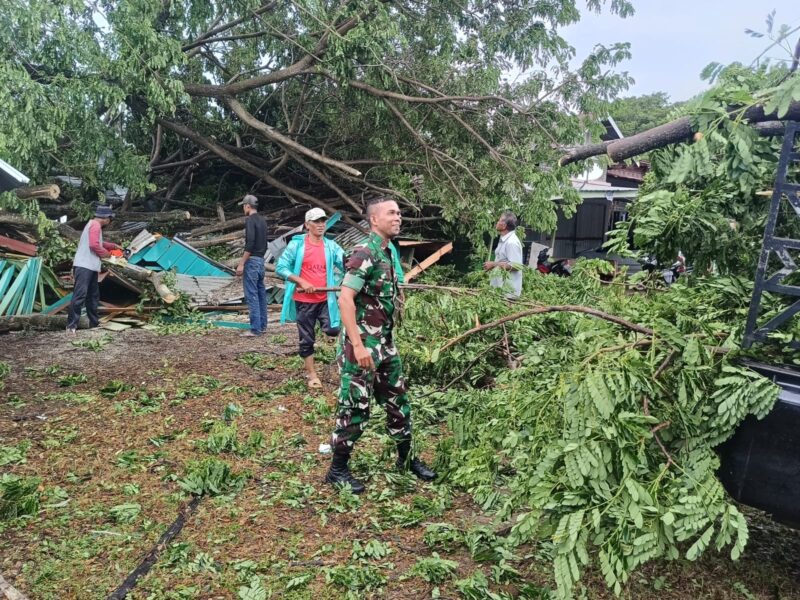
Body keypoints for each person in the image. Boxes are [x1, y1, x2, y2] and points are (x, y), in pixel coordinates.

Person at [325, 197, 436, 494]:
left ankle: (406, 459)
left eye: (399, 213)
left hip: (385, 345)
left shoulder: (389, 254)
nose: (398, 217)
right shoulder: (365, 253)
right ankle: (337, 470)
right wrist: (359, 346)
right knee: (355, 406)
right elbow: (345, 298)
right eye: (391, 213)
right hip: (361, 346)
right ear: (374, 220)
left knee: (399, 403)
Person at [276, 207, 345, 390]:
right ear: (307, 225)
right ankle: (311, 374)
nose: (321, 225)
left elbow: (345, 262)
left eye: (323, 221)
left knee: (333, 329)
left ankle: (328, 336)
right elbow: (281, 267)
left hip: (325, 298)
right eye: (316, 221)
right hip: (304, 300)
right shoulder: (297, 245)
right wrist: (301, 281)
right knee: (307, 339)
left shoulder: (331, 246)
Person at [66, 205, 121, 334]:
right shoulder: (95, 226)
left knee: (92, 296)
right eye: (109, 219)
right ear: (106, 218)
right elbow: (94, 245)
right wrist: (107, 254)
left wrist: (113, 246)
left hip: (90, 266)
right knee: (80, 295)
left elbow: (99, 243)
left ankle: (94, 323)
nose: (109, 222)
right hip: (85, 266)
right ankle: (71, 325)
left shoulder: (93, 225)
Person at [235, 195, 268, 337]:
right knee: (261, 294)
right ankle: (263, 325)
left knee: (252, 295)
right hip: (261, 261)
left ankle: (255, 329)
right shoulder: (262, 220)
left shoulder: (249, 220)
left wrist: (242, 263)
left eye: (243, 206)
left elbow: (250, 242)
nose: (243, 208)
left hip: (252, 261)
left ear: (248, 206)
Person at [484, 210, 523, 298]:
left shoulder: (511, 242)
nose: (497, 223)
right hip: (500, 290)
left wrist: (493, 265)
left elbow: (516, 266)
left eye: (499, 220)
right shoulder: (504, 239)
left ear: (504, 225)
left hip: (508, 293)